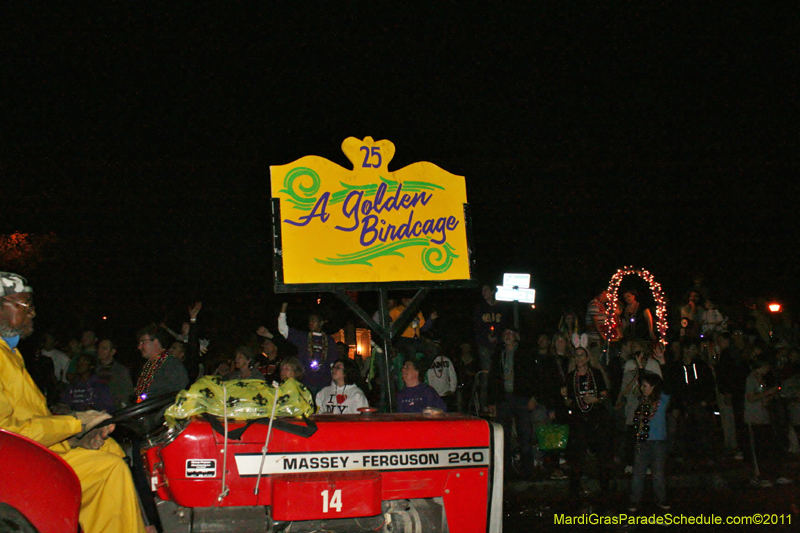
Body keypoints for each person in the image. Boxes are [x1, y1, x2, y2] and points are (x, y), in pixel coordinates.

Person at [0, 272, 147, 533]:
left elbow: (32, 420)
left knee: (110, 448)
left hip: (32, 455)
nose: (32, 313)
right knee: (108, 470)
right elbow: (10, 435)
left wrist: (75, 438)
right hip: (16, 469)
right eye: (25, 305)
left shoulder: (10, 354)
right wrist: (75, 424)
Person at [487, 327, 541, 478]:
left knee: (525, 434)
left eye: (510, 333)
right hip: (503, 399)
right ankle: (505, 471)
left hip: (521, 398)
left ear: (516, 336)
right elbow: (492, 379)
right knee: (503, 435)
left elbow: (534, 376)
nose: (507, 336)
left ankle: (527, 470)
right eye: (505, 333)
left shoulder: (525, 354)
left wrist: (533, 397)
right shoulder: (498, 355)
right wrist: (491, 401)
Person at [628, 345, 674, 513]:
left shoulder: (661, 400)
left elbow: (668, 383)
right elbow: (641, 381)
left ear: (653, 387)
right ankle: (634, 501)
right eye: (643, 386)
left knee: (658, 474)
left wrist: (663, 362)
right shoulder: (643, 400)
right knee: (638, 474)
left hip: (657, 443)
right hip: (642, 441)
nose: (643, 388)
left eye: (646, 386)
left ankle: (662, 500)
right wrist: (640, 368)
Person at [278, 302, 338, 395]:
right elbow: (283, 329)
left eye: (314, 320)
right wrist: (284, 307)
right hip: (305, 383)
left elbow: (333, 363)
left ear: (321, 323)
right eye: (310, 320)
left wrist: (335, 383)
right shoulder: (303, 337)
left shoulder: (329, 340)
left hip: (325, 384)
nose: (311, 322)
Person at [134, 324, 189, 402]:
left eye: (143, 342)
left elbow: (174, 394)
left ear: (155, 342)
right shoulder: (147, 367)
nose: (139, 347)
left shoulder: (171, 365)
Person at [95, 338, 134, 410]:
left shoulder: (121, 371)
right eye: (99, 348)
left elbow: (126, 395)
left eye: (104, 348)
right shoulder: (93, 369)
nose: (100, 351)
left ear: (112, 352)